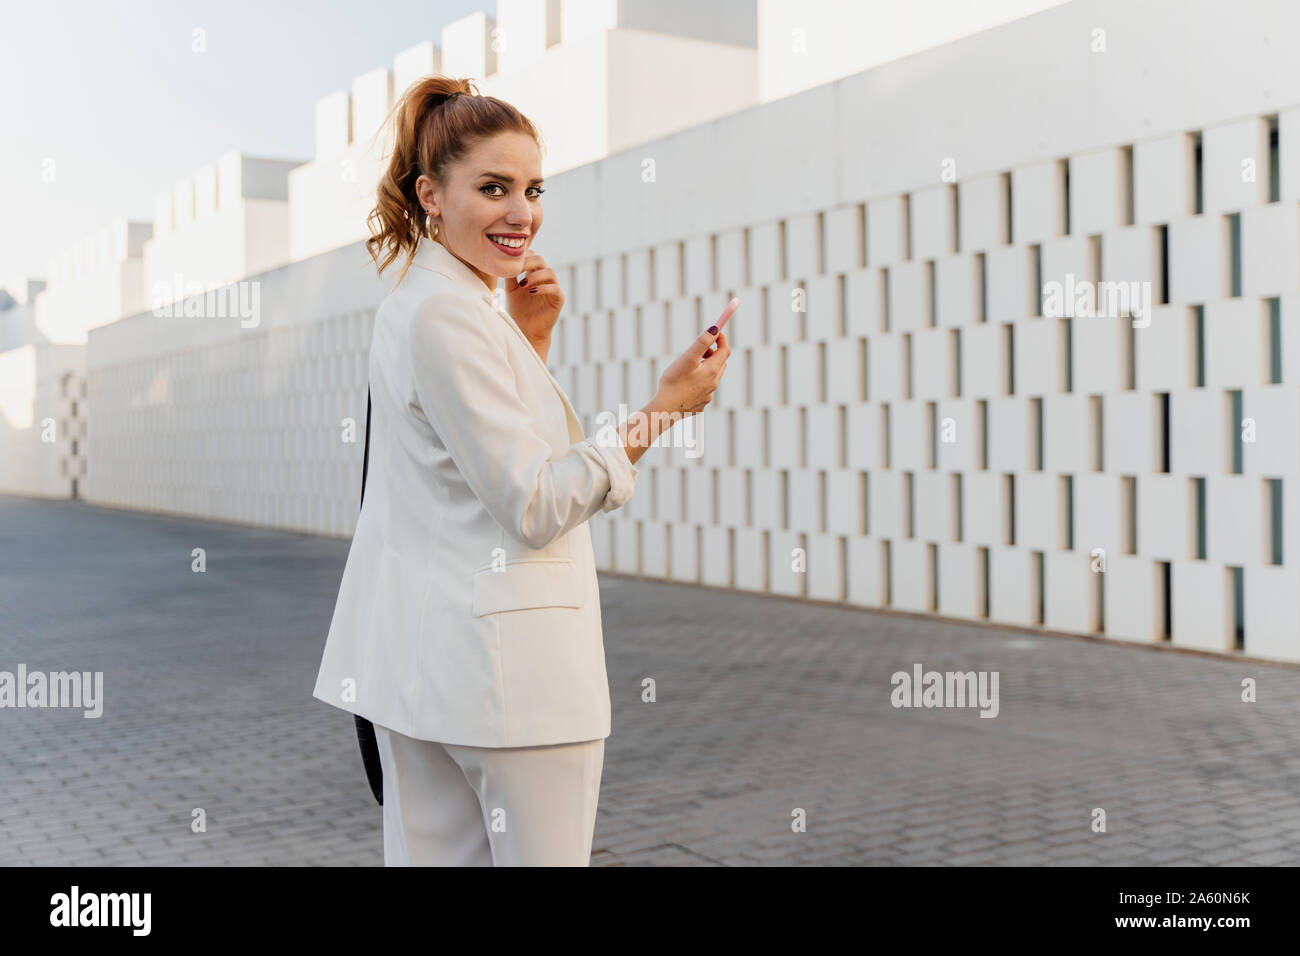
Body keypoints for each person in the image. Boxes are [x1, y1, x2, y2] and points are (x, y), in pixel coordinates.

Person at [311, 75, 738, 866]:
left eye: (533, 188)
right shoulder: (448, 313)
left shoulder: (428, 304)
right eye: (494, 187)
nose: (522, 213)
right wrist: (665, 409)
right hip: (511, 691)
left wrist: (529, 343)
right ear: (429, 194)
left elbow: (458, 465)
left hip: (423, 681)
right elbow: (535, 503)